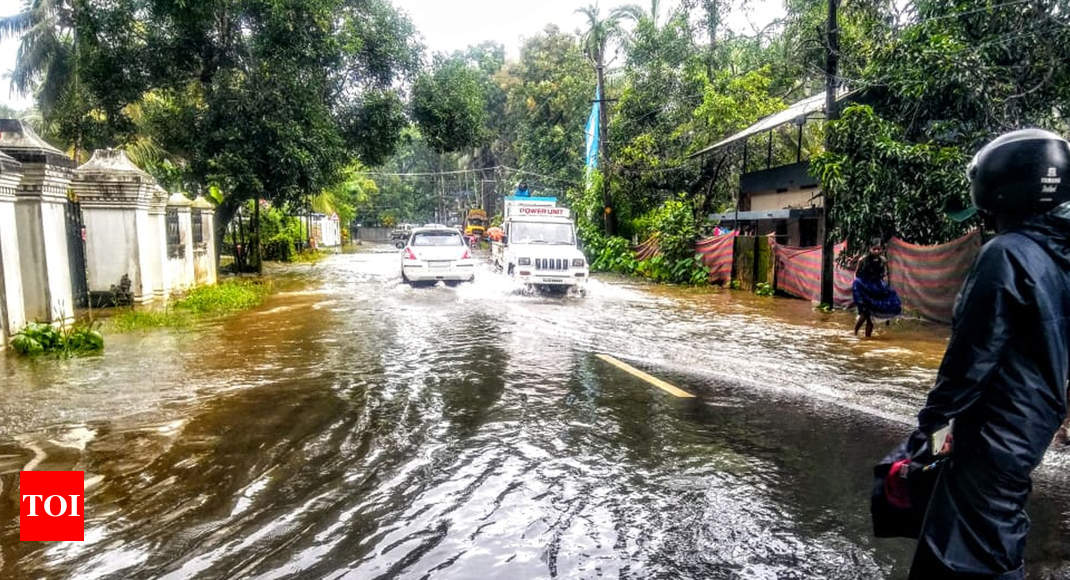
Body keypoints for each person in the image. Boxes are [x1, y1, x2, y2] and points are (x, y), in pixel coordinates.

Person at [909, 129, 1070, 579]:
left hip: (990, 432)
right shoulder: (1059, 256)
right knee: (996, 535)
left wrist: (926, 437)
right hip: (1030, 429)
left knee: (966, 551)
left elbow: (968, 365)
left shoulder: (1006, 255)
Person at [852, 240, 902, 337]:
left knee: (870, 318)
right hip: (863, 287)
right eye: (874, 249)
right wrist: (857, 287)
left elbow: (886, 275)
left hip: (876, 287)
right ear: (870, 249)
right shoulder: (863, 260)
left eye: (878, 249)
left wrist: (885, 286)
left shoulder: (883, 260)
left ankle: (866, 339)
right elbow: (856, 274)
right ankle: (855, 333)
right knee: (864, 314)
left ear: (881, 250)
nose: (876, 251)